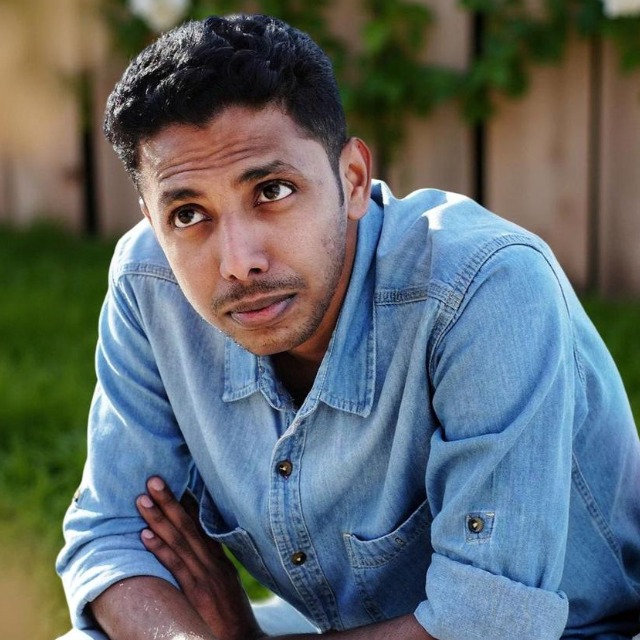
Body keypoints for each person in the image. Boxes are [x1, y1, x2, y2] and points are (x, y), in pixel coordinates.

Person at [56, 13, 640, 640]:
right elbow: (113, 537)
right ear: (152, 219)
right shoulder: (150, 281)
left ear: (353, 179)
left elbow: (488, 625)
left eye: (272, 191)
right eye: (188, 213)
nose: (238, 262)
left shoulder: (484, 288)